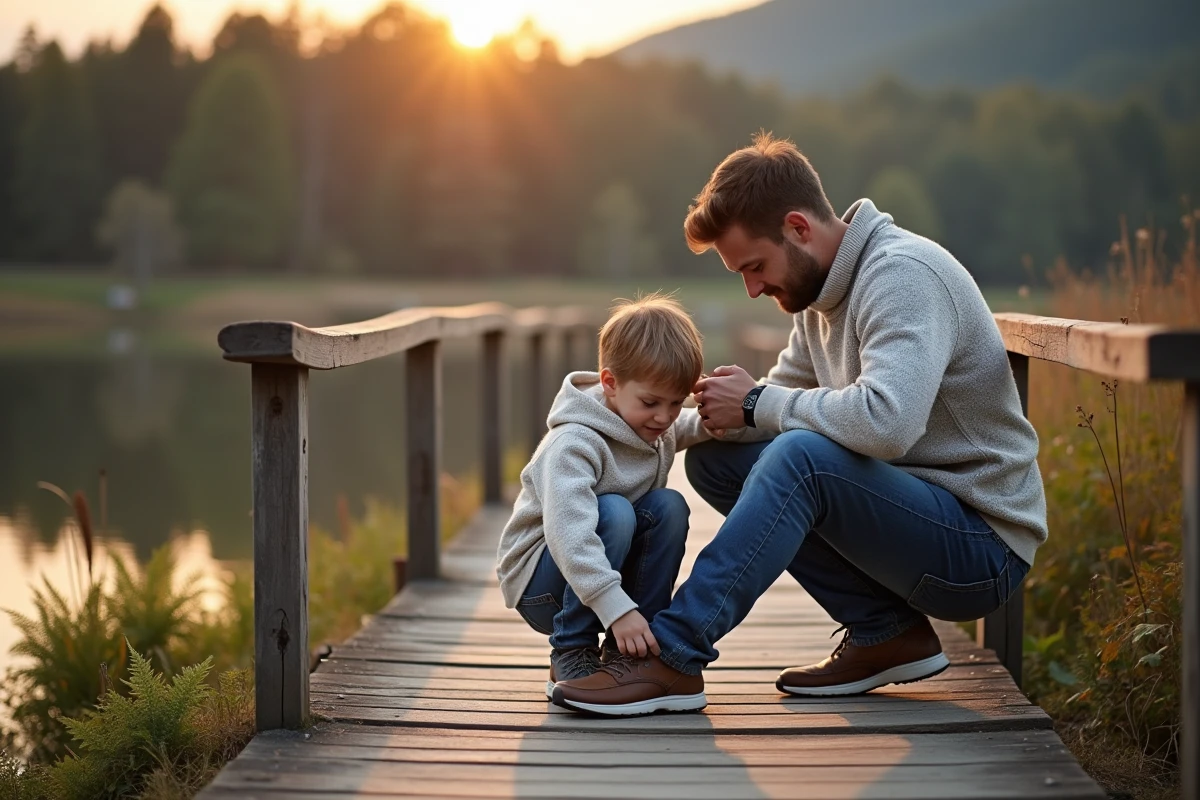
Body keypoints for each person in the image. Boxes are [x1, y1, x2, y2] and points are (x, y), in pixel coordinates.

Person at [551, 133, 1047, 717]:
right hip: (915, 517)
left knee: (800, 458)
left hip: (980, 546)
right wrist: (709, 411)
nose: (754, 288)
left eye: (755, 266)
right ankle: (886, 632)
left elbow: (886, 423)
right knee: (717, 462)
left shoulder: (902, 276)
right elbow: (772, 405)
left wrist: (759, 401)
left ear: (798, 227)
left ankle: (673, 656)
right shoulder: (821, 299)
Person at [496, 293, 712, 702]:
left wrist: (744, 414)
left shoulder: (651, 423)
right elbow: (568, 534)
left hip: (600, 578)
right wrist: (614, 606)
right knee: (612, 510)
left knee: (669, 506)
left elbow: (695, 425)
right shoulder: (573, 443)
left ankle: (630, 653)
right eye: (651, 402)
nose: (664, 418)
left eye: (675, 402)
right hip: (543, 587)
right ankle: (571, 648)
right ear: (610, 383)